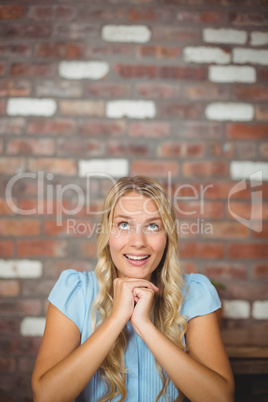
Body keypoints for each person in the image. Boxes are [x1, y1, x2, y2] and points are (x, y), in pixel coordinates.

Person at [32, 176, 234, 402]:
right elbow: (46, 396)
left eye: (153, 225)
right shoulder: (75, 292)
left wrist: (144, 325)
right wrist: (116, 319)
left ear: (167, 237)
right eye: (124, 224)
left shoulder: (195, 293)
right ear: (107, 234)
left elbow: (220, 398)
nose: (138, 241)